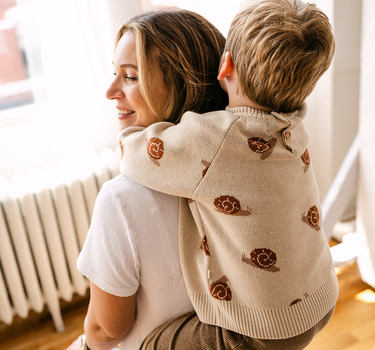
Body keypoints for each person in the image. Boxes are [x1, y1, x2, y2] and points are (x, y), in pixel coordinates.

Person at [118, 0, 339, 349]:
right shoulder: (295, 124)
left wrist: (128, 133)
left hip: (262, 330)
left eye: (130, 76)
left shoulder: (213, 138)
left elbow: (136, 155)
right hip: (322, 297)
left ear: (225, 64)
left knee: (151, 344)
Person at [67, 8, 228, 350]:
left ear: (182, 84)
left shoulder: (122, 200)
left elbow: (107, 329)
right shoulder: (249, 168)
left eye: (130, 76)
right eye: (115, 73)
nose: (111, 91)